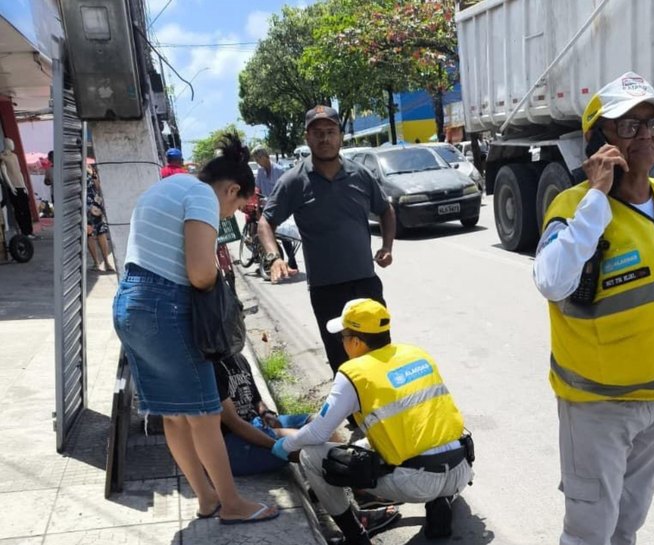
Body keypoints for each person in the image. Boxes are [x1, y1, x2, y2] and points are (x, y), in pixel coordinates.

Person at [533, 72, 654, 545]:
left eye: (653, 124)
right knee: (589, 532)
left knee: (628, 524)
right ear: (596, 140)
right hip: (599, 408)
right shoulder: (573, 206)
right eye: (628, 126)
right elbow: (551, 281)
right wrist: (596, 197)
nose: (644, 136)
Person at [113, 133, 279, 525]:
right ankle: (232, 504)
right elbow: (201, 273)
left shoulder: (165, 187)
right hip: (164, 307)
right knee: (204, 413)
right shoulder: (203, 195)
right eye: (234, 208)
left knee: (173, 415)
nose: (227, 217)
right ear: (232, 189)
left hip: (129, 304)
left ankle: (206, 499)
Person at [271, 299, 474, 544]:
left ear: (356, 341)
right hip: (461, 469)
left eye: (343, 337)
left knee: (310, 456)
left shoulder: (354, 373)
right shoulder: (417, 354)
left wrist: (284, 446)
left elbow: (318, 433)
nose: (342, 343)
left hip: (417, 483)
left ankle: (356, 536)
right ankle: (441, 501)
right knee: (390, 440)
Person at [258, 106, 396, 377]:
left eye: (331, 132)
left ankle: (384, 401)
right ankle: (353, 404)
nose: (325, 138)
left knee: (381, 353)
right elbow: (266, 222)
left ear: (340, 136)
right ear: (307, 137)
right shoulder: (294, 181)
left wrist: (387, 247)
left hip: (365, 282)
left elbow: (386, 210)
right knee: (342, 361)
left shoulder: (360, 174)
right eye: (317, 133)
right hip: (326, 290)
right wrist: (274, 258)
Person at [214, 352, 401, 537]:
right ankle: (355, 520)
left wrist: (266, 413)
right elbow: (235, 424)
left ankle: (358, 491)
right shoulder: (212, 368)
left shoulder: (238, 358)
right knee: (315, 452)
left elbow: (256, 399)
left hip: (257, 423)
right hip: (235, 444)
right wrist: (278, 445)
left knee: (323, 425)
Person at [250, 145, 297, 270]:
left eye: (258, 158)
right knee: (262, 234)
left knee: (285, 237)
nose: (257, 162)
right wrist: (257, 205)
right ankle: (265, 263)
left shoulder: (279, 170)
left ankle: (292, 263)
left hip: (279, 207)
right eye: (256, 160)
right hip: (265, 207)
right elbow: (258, 188)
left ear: (265, 156)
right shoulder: (260, 172)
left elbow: (287, 190)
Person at [0, 137, 34, 237]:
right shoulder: (2, 157)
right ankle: (24, 232)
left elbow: (19, 171)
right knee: (19, 210)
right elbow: (4, 173)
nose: (13, 145)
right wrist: (11, 187)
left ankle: (29, 231)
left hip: (21, 185)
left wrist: (24, 186)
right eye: (11, 143)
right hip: (13, 187)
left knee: (26, 210)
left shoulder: (15, 156)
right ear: (7, 144)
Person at [85, 165, 115, 272]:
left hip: (91, 205)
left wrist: (93, 174)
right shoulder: (87, 170)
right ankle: (101, 263)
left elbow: (97, 187)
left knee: (95, 234)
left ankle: (101, 262)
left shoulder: (87, 170)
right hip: (91, 205)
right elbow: (98, 187)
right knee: (95, 233)